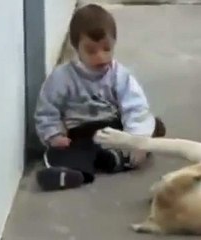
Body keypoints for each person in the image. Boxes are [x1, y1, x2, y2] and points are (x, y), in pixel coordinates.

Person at [34, 3, 166, 191]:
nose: (101, 56)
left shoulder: (120, 75)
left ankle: (116, 156)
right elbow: (47, 109)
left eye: (107, 48)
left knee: (147, 128)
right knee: (68, 151)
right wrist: (54, 134)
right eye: (91, 50)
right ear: (76, 48)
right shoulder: (62, 78)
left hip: (113, 128)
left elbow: (134, 106)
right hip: (81, 133)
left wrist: (136, 139)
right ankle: (69, 175)